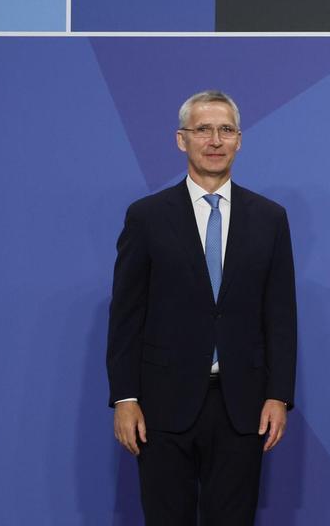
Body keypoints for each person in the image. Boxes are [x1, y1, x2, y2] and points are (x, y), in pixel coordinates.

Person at [107, 90, 297, 525]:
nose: (215, 140)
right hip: (160, 405)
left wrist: (278, 395)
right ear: (182, 140)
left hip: (242, 407)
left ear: (239, 140)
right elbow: (126, 315)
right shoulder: (147, 216)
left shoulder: (270, 218)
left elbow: (281, 315)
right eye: (203, 130)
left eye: (226, 130)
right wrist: (125, 397)